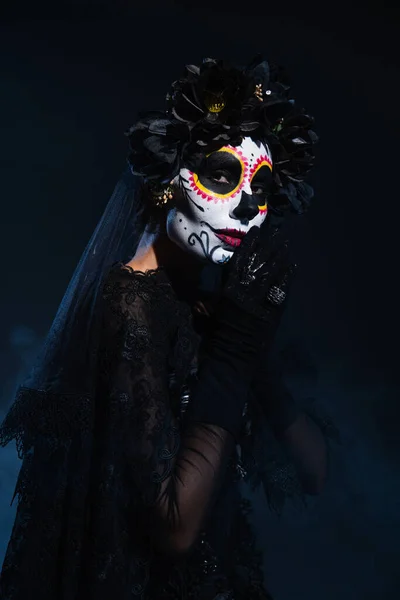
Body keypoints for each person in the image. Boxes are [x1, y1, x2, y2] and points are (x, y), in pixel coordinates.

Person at [0, 56, 331, 600]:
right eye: (222, 174)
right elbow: (174, 527)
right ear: (165, 183)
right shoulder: (127, 300)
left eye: (264, 186)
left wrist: (252, 344)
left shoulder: (210, 309)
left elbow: (314, 471)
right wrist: (234, 351)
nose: (249, 206)